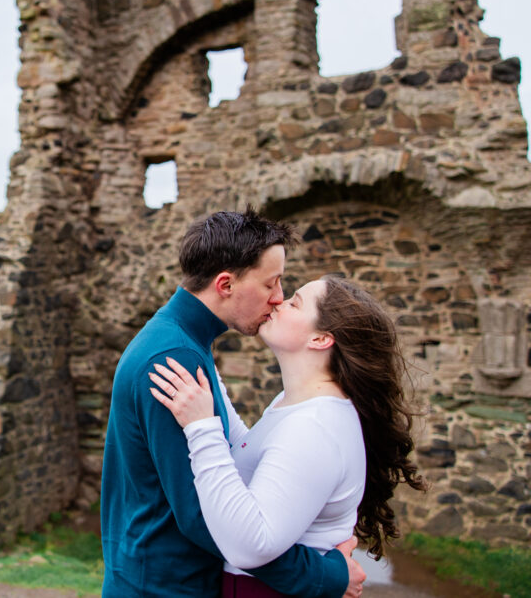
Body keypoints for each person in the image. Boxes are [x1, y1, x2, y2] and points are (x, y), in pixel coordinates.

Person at [100, 210, 366, 597]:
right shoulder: (173, 359)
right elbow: (203, 517)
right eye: (270, 284)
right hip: (164, 587)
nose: (277, 298)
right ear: (226, 284)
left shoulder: (185, 342)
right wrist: (326, 577)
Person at [149, 276, 426, 597]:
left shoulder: (315, 427)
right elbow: (254, 454)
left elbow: (250, 547)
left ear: (321, 339)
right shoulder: (301, 404)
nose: (279, 302)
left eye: (295, 302)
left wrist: (201, 428)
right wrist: (212, 389)